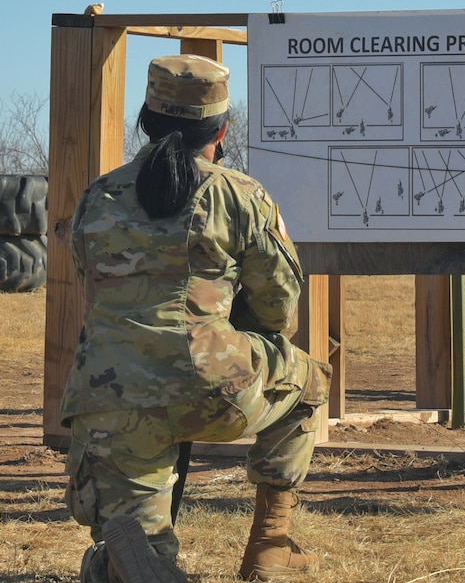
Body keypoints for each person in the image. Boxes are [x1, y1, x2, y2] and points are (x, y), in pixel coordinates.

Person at [62, 55, 327, 583]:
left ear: (146, 118)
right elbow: (279, 309)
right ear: (222, 129)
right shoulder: (240, 196)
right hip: (211, 385)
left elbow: (92, 286)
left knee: (137, 544)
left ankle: (135, 560)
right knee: (309, 380)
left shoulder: (97, 197)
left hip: (108, 397)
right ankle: (269, 546)